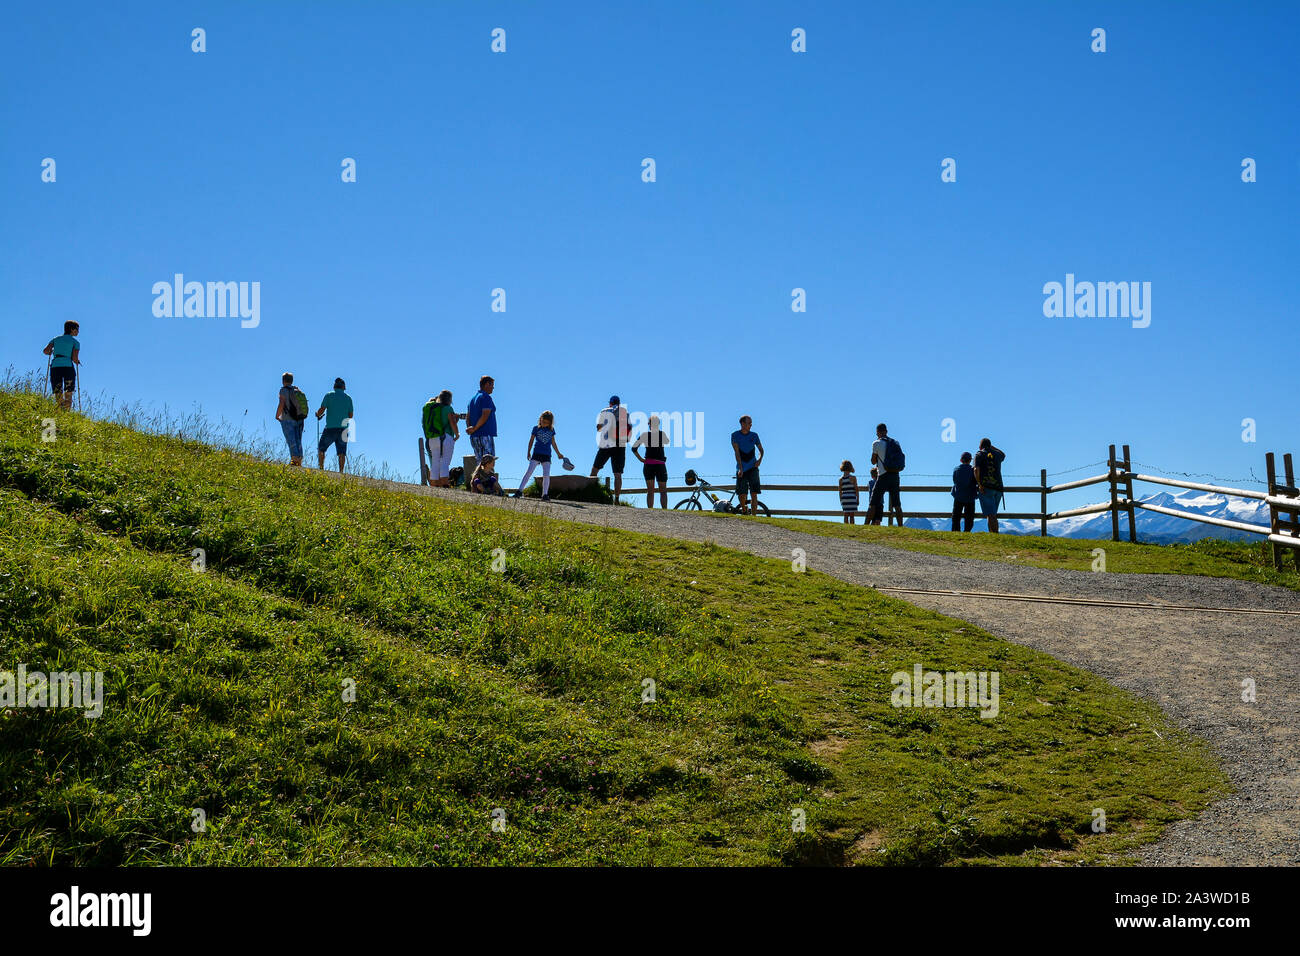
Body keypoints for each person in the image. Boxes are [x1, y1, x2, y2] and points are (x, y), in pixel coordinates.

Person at [513, 411, 567, 502]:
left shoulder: (551, 430)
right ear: (540, 419)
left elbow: (553, 442)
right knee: (529, 472)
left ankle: (545, 494)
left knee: (546, 475)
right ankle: (519, 491)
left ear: (550, 423)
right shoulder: (536, 428)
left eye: (546, 422)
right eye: (543, 421)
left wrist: (558, 453)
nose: (544, 423)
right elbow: (531, 440)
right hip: (536, 453)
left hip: (547, 455)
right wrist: (528, 451)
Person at [590, 395, 630, 503]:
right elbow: (629, 431)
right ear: (619, 403)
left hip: (606, 444)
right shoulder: (625, 413)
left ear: (610, 403)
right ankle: (616, 499)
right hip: (620, 445)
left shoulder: (604, 411)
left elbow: (598, 428)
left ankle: (590, 494)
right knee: (618, 474)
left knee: (595, 469)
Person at [867, 423, 904, 527]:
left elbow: (873, 461)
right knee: (897, 503)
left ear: (877, 432)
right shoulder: (895, 443)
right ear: (886, 431)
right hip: (895, 475)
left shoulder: (876, 443)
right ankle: (901, 527)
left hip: (883, 475)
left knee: (873, 502)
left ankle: (865, 525)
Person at [422, 390, 460, 487]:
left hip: (433, 438)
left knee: (435, 462)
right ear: (449, 399)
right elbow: (452, 422)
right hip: (445, 437)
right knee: (445, 462)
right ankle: (445, 486)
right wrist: (457, 434)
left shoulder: (434, 408)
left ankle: (434, 486)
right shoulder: (448, 408)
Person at [631, 414, 670, 509]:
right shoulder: (662, 434)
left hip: (648, 465)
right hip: (660, 464)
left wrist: (641, 459)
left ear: (649, 424)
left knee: (650, 491)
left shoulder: (645, 435)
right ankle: (665, 511)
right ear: (658, 424)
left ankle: (650, 511)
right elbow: (667, 442)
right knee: (663, 491)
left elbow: (634, 448)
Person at [315, 377, 354, 473]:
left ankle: (321, 469)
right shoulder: (348, 398)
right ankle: (341, 471)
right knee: (342, 452)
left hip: (330, 428)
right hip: (343, 429)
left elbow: (322, 409)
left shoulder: (329, 395)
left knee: (321, 448)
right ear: (344, 387)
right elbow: (351, 415)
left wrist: (317, 414)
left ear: (334, 386)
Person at [43, 321, 81, 410]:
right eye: (77, 329)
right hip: (68, 367)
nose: (78, 332)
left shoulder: (55, 339)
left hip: (55, 366)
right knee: (69, 391)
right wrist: (77, 361)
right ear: (72, 329)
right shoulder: (75, 342)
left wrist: (51, 352)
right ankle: (66, 412)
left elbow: (45, 351)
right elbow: (74, 358)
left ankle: (60, 409)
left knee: (58, 391)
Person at [730, 415, 764, 516]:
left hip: (753, 467)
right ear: (742, 424)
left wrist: (759, 459)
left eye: (751, 423)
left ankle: (754, 517)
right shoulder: (735, 435)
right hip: (741, 468)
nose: (751, 425)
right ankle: (744, 509)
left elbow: (761, 450)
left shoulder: (754, 435)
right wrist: (740, 468)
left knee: (754, 493)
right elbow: (736, 453)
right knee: (742, 494)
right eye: (749, 423)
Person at [274, 372, 310, 466]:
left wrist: (277, 416)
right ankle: (299, 460)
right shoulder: (297, 390)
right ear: (292, 380)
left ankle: (294, 459)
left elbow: (281, 403)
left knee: (291, 439)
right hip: (300, 418)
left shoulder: (283, 390)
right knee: (298, 439)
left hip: (288, 419)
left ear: (283, 381)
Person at [973, 438, 1007, 533]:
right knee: (992, 513)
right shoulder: (997, 454)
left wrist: (979, 484)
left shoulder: (979, 454)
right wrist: (993, 447)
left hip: (986, 487)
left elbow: (976, 470)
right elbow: (1003, 454)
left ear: (980, 446)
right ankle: (992, 534)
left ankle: (995, 534)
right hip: (998, 487)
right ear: (990, 445)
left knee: (991, 514)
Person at [465, 375, 497, 466]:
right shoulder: (485, 397)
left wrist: (470, 429)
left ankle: (479, 480)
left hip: (474, 436)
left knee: (480, 464)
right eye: (492, 385)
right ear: (487, 384)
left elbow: (468, 416)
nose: (493, 388)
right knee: (489, 463)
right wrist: (474, 428)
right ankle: (488, 480)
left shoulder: (472, 399)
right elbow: (485, 415)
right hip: (485, 434)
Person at [951, 451, 977, 532]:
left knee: (956, 515)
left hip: (958, 495)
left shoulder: (956, 469)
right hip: (970, 496)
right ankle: (967, 531)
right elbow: (976, 481)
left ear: (961, 460)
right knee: (969, 516)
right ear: (970, 460)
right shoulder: (973, 470)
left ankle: (956, 531)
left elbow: (954, 481)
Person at [838, 460, 859, 524]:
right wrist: (857, 499)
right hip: (852, 498)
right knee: (852, 515)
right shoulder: (853, 478)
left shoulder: (840, 479)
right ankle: (852, 527)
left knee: (846, 515)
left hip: (844, 498)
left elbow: (840, 491)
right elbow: (856, 489)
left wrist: (841, 500)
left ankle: (846, 527)